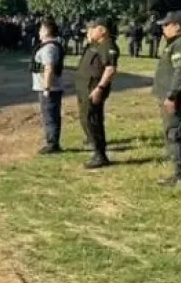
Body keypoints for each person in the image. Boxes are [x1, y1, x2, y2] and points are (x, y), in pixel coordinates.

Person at [152, 11, 181, 186]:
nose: (163, 28)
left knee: (175, 134)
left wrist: (171, 96)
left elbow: (180, 73)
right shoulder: (174, 43)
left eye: (166, 24)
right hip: (172, 95)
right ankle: (179, 173)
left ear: (177, 26)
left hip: (178, 96)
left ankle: (179, 176)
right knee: (174, 132)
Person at [74, 18, 118, 169]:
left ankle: (100, 154)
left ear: (103, 30)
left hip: (94, 88)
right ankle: (95, 147)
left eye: (93, 29)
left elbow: (110, 69)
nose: (89, 31)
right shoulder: (95, 44)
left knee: (92, 119)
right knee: (86, 118)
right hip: (85, 87)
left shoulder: (107, 45)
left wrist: (100, 88)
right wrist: (89, 37)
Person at [30, 17, 65, 155]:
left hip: (50, 88)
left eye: (41, 29)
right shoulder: (49, 46)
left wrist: (46, 88)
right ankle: (52, 141)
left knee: (50, 116)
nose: (39, 32)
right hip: (49, 87)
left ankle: (52, 143)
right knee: (50, 115)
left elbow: (49, 68)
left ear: (46, 31)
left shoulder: (49, 48)